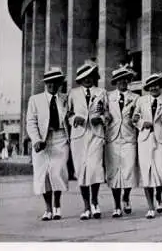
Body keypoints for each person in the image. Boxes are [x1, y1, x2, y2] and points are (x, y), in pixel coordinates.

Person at [26, 67, 70, 221]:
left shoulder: (65, 98)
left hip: (60, 138)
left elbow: (70, 116)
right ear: (45, 83)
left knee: (58, 172)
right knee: (43, 174)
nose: (52, 85)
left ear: (60, 83)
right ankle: (48, 209)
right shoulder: (35, 100)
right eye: (49, 82)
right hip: (42, 140)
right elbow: (31, 122)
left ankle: (57, 205)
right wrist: (36, 140)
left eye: (55, 82)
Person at [67, 60, 108, 220]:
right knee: (82, 171)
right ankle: (86, 206)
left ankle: (95, 202)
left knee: (95, 168)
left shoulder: (102, 92)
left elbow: (107, 113)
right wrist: (74, 119)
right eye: (84, 77)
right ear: (80, 79)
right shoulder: (73, 93)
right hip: (79, 136)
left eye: (90, 76)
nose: (88, 80)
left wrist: (102, 120)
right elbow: (68, 113)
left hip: (96, 135)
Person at [133, 72, 162, 219]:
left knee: (161, 173)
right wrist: (142, 123)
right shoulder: (141, 101)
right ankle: (150, 207)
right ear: (147, 87)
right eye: (151, 86)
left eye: (156, 85)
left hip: (160, 139)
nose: (154, 87)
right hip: (145, 139)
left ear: (161, 86)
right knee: (146, 172)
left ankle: (159, 196)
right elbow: (135, 118)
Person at [104, 65, 139, 218]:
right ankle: (117, 205)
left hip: (129, 137)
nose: (122, 82)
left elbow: (138, 115)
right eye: (119, 80)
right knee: (113, 172)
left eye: (125, 79)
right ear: (115, 82)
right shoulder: (108, 96)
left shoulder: (136, 97)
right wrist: (105, 115)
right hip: (112, 138)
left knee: (129, 169)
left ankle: (126, 196)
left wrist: (136, 119)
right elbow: (102, 111)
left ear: (129, 81)